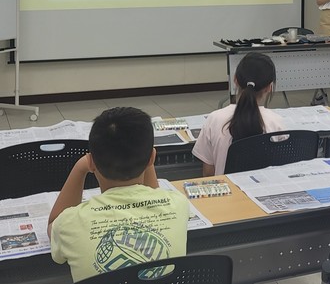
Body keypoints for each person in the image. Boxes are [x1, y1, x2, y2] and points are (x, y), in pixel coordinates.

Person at [48, 107, 189, 282]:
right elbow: (155, 195)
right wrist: (146, 159)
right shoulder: (177, 204)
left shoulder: (69, 223)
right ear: (152, 158)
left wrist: (79, 168)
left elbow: (53, 224)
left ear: (91, 162)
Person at [193, 52, 285, 176]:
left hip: (226, 188)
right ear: (269, 87)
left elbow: (208, 173)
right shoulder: (276, 122)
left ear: (235, 80)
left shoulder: (214, 119)